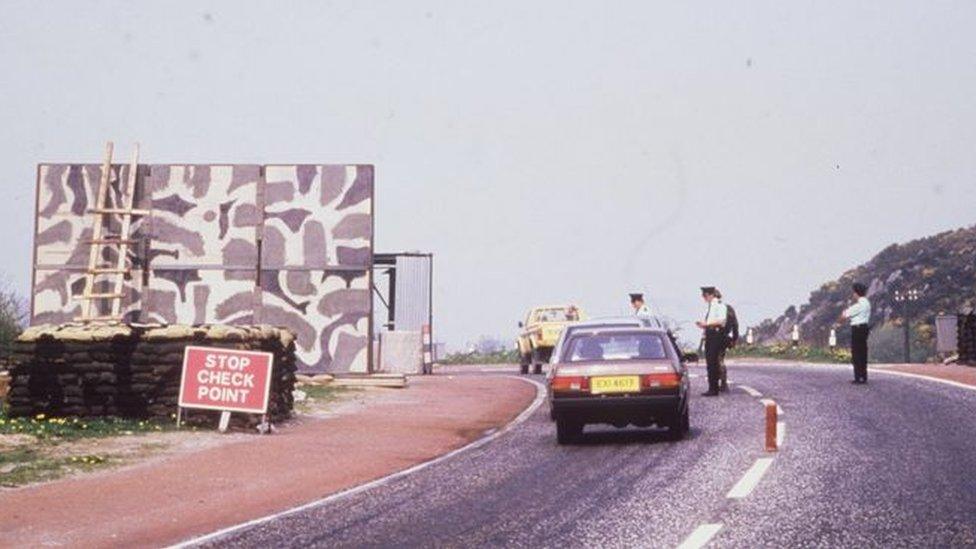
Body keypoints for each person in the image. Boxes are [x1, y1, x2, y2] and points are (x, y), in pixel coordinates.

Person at [695, 286, 727, 396]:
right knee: (710, 363)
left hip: (716, 335)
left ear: (711, 295)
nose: (704, 298)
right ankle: (712, 387)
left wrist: (706, 324)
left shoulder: (719, 305)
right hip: (710, 334)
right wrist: (704, 327)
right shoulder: (710, 306)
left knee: (713, 362)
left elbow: (722, 321)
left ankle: (714, 388)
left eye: (705, 295)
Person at [841, 282, 872, 384]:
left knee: (856, 353)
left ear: (856, 293)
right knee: (863, 352)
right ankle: (864, 375)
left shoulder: (858, 305)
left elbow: (844, 316)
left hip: (857, 329)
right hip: (865, 328)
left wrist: (844, 313)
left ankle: (858, 377)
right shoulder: (867, 303)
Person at [714, 289, 739, 392]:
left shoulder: (715, 309)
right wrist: (734, 339)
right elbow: (735, 325)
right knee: (720, 359)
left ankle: (721, 383)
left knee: (717, 360)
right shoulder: (729, 308)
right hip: (725, 337)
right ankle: (723, 383)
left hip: (716, 338)